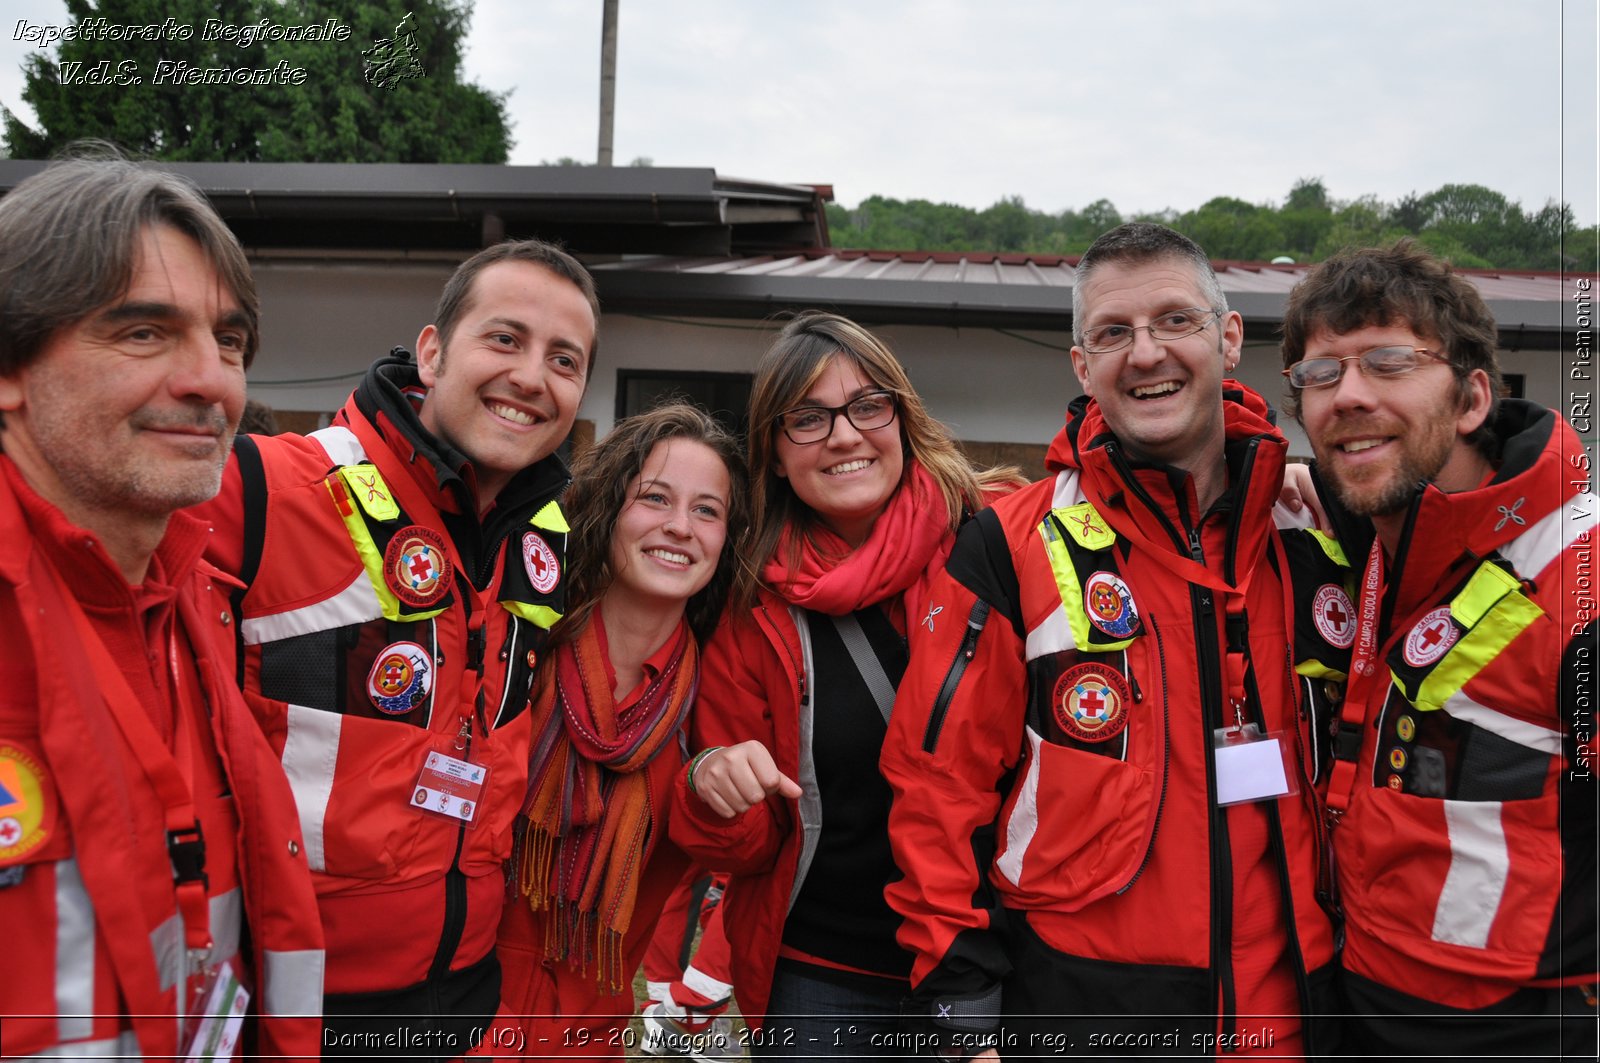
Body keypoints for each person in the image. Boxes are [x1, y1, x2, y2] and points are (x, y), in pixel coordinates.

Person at [881, 223, 1340, 1058]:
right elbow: (934, 795)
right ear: (1082, 366)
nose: (1146, 354)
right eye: (1113, 333)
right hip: (1080, 1013)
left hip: (1300, 1013)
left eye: (1175, 321)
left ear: (1229, 338)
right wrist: (962, 1022)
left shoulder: (1317, 530)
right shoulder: (1009, 545)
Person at [192, 238, 598, 1057]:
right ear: (432, 350)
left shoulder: (549, 542)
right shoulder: (259, 487)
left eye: (565, 358)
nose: (532, 377)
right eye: (505, 338)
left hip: (468, 1003)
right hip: (294, 1007)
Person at [0, 152, 323, 1058]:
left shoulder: (191, 606)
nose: (212, 383)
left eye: (227, 342)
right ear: (9, 371)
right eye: (144, 332)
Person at [671, 311, 1024, 1056]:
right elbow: (746, 847)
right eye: (808, 417)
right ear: (770, 450)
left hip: (990, 961)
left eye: (868, 405)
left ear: (901, 414)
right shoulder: (747, 604)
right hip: (820, 973)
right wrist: (713, 784)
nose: (844, 434)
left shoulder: (997, 539)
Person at [1280, 240, 1599, 1057]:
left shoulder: (1581, 580)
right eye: (1320, 374)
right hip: (1357, 1002)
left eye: (1388, 362)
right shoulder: (1381, 538)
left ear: (1471, 399)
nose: (1347, 396)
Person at [494, 403, 748, 1058]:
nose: (679, 527)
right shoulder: (519, 641)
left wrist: (711, 787)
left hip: (586, 1036)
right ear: (609, 508)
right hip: (456, 1015)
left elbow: (737, 852)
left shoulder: (717, 696)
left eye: (707, 510)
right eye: (655, 498)